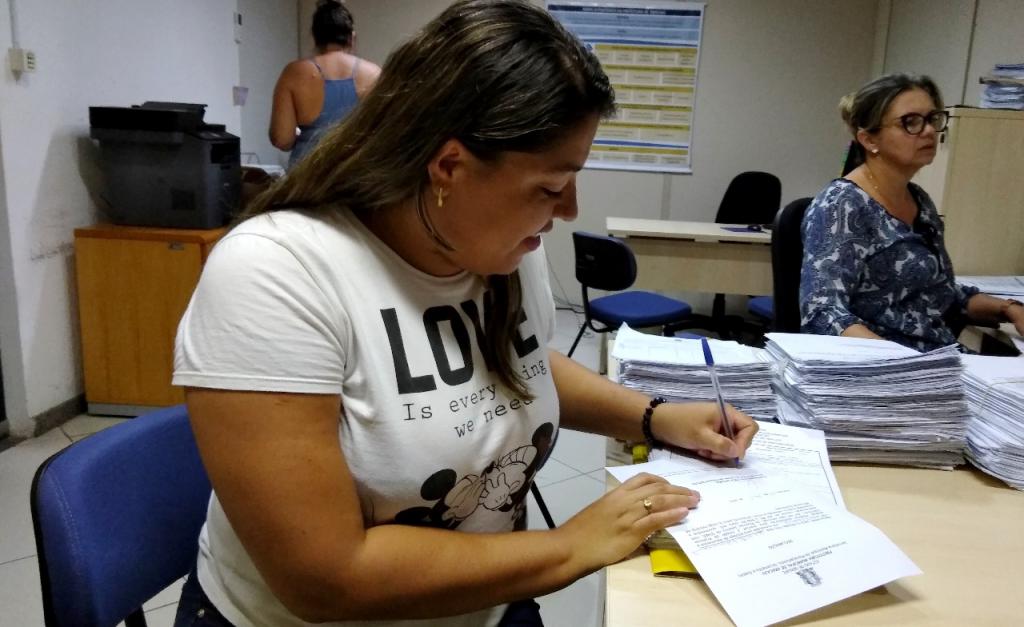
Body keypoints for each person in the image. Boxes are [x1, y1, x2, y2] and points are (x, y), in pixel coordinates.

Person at [172, 2, 757, 626]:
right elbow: (326, 579)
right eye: (550, 187)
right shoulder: (275, 273)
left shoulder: (501, 249)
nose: (568, 210)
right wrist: (571, 546)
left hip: (482, 604)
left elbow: (520, 366)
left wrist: (653, 417)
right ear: (449, 167)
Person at [801, 73, 1024, 352]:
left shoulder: (919, 200)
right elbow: (822, 314)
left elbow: (942, 294)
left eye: (932, 119)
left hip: (939, 359)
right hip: (883, 365)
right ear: (869, 139)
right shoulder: (841, 204)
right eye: (911, 122)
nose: (929, 131)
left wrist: (1009, 308)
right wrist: (906, 362)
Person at [270, 0, 381, 169]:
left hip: (306, 174)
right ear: (351, 37)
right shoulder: (373, 73)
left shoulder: (294, 73)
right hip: (356, 174)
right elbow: (383, 135)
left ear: (315, 36)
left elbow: (282, 139)